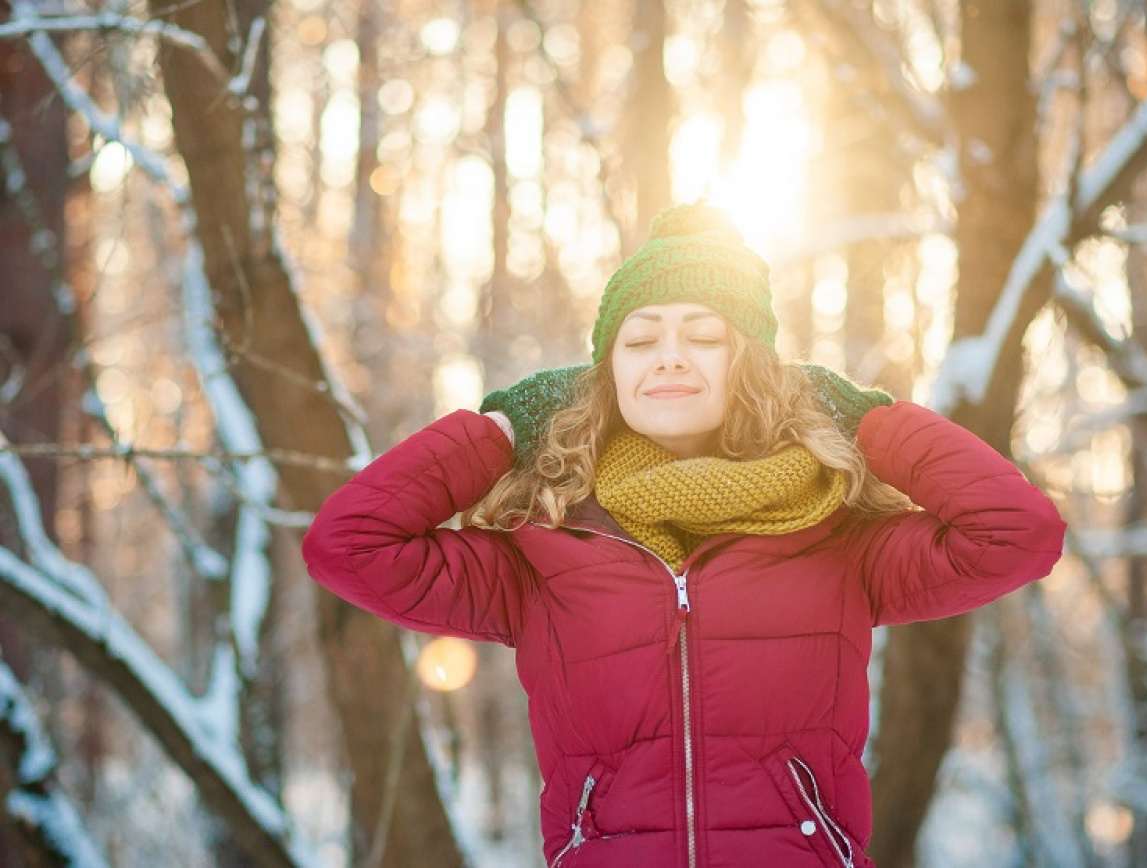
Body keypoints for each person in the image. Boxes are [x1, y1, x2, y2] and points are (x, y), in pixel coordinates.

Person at [302, 203, 1066, 867]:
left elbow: (1016, 533)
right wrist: (506, 426)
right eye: (639, 341)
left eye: (703, 334)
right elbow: (349, 544)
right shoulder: (542, 552)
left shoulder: (840, 540)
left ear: (753, 365)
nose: (668, 355)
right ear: (605, 376)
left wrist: (862, 418)